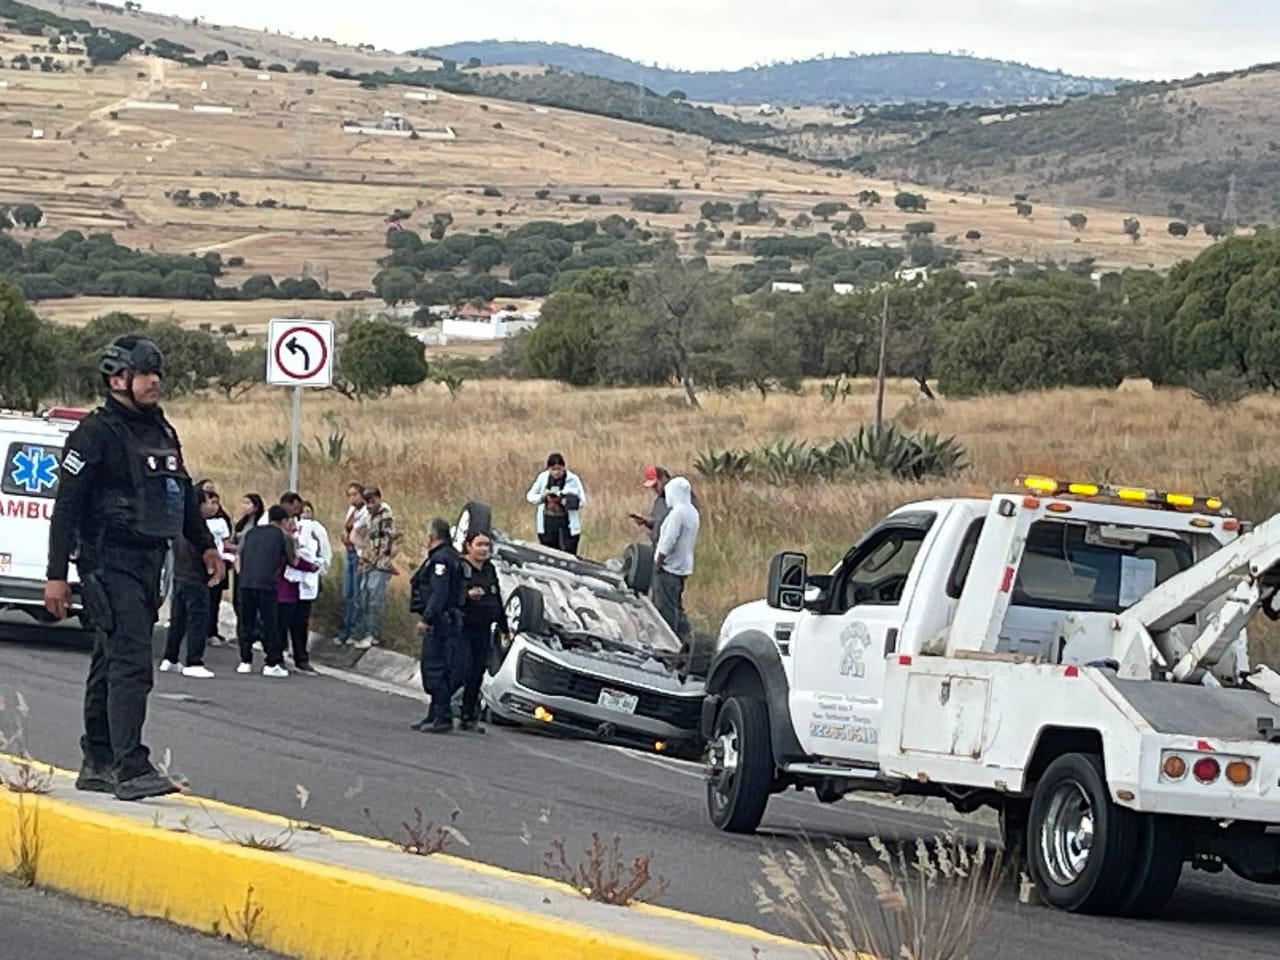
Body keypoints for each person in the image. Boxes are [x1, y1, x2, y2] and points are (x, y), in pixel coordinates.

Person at [43, 334, 225, 802]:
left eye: (157, 373)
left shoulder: (161, 430)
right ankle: (130, 767)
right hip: (108, 562)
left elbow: (180, 492)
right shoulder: (95, 433)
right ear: (117, 379)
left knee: (108, 661)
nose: (154, 382)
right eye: (146, 374)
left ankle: (98, 760)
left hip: (150, 562)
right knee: (130, 662)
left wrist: (204, 545)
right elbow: (66, 506)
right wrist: (57, 575)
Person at [409, 517, 465, 734]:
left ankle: (443, 717)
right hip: (447, 621)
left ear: (431, 537)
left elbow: (439, 594)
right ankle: (434, 714)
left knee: (435, 669)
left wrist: (427, 619)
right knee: (436, 668)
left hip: (441, 623)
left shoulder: (441, 560)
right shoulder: (449, 556)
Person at [159, 488, 221, 678]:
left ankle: (170, 657)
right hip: (196, 578)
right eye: (208, 501)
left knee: (178, 621)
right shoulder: (198, 530)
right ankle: (194, 660)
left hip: (180, 576)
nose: (212, 506)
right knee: (197, 621)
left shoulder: (178, 527)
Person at [457, 529, 508, 733]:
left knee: (477, 672)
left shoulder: (489, 570)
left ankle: (469, 716)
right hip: (463, 626)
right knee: (461, 669)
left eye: (487, 545)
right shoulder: (460, 567)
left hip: (483, 628)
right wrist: (466, 595)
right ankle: (443, 708)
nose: (484, 549)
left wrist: (504, 626)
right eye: (479, 545)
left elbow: (496, 598)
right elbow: (449, 592)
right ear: (468, 546)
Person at [235, 504, 295, 677]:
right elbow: (292, 560)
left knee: (246, 622)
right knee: (270, 623)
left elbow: (239, 554)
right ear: (284, 521)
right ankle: (272, 662)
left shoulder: (251, 532)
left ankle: (245, 660)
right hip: (267, 584)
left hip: (246, 582)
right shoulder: (283, 536)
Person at [653, 476, 700, 644]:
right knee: (677, 607)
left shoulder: (677, 513)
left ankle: (669, 644)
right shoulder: (692, 512)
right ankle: (688, 640)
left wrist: (658, 562)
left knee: (665, 610)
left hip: (669, 568)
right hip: (683, 567)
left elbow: (669, 540)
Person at [353, 485, 399, 649]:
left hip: (379, 563)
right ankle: (366, 631)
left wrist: (382, 558)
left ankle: (373, 634)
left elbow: (388, 540)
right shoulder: (369, 516)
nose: (370, 505)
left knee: (374, 598)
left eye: (373, 502)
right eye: (368, 503)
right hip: (369, 562)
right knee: (364, 595)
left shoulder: (385, 515)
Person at [277, 514, 321, 675]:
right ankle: (279, 656)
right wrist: (310, 567)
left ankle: (301, 658)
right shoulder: (283, 539)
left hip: (303, 589)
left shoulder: (306, 539)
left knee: (300, 624)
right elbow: (293, 560)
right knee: (283, 623)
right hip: (286, 587)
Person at [525, 452, 587, 555]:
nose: (556, 472)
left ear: (564, 468)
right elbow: (530, 496)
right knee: (549, 553)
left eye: (559, 469)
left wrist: (565, 500)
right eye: (553, 469)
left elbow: (582, 500)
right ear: (549, 469)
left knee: (568, 553)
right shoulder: (543, 478)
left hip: (566, 523)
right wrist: (543, 497)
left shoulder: (573, 479)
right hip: (548, 523)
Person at [197, 480, 234, 646]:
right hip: (201, 563)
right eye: (210, 502)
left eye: (216, 503)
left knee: (214, 599)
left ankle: (211, 629)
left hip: (218, 561)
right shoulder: (196, 521)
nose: (214, 506)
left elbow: (226, 542)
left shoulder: (221, 521)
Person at [335, 481, 368, 646]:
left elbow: (359, 532)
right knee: (347, 594)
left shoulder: (366, 513)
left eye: (355, 494)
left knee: (356, 594)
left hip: (359, 553)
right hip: (349, 551)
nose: (353, 498)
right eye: (350, 495)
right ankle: (344, 630)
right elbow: (346, 528)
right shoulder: (352, 511)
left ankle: (354, 630)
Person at [629, 465, 671, 547]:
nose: (654, 489)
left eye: (655, 485)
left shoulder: (677, 500)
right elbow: (656, 523)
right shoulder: (658, 500)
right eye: (652, 487)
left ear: (663, 478)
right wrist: (645, 521)